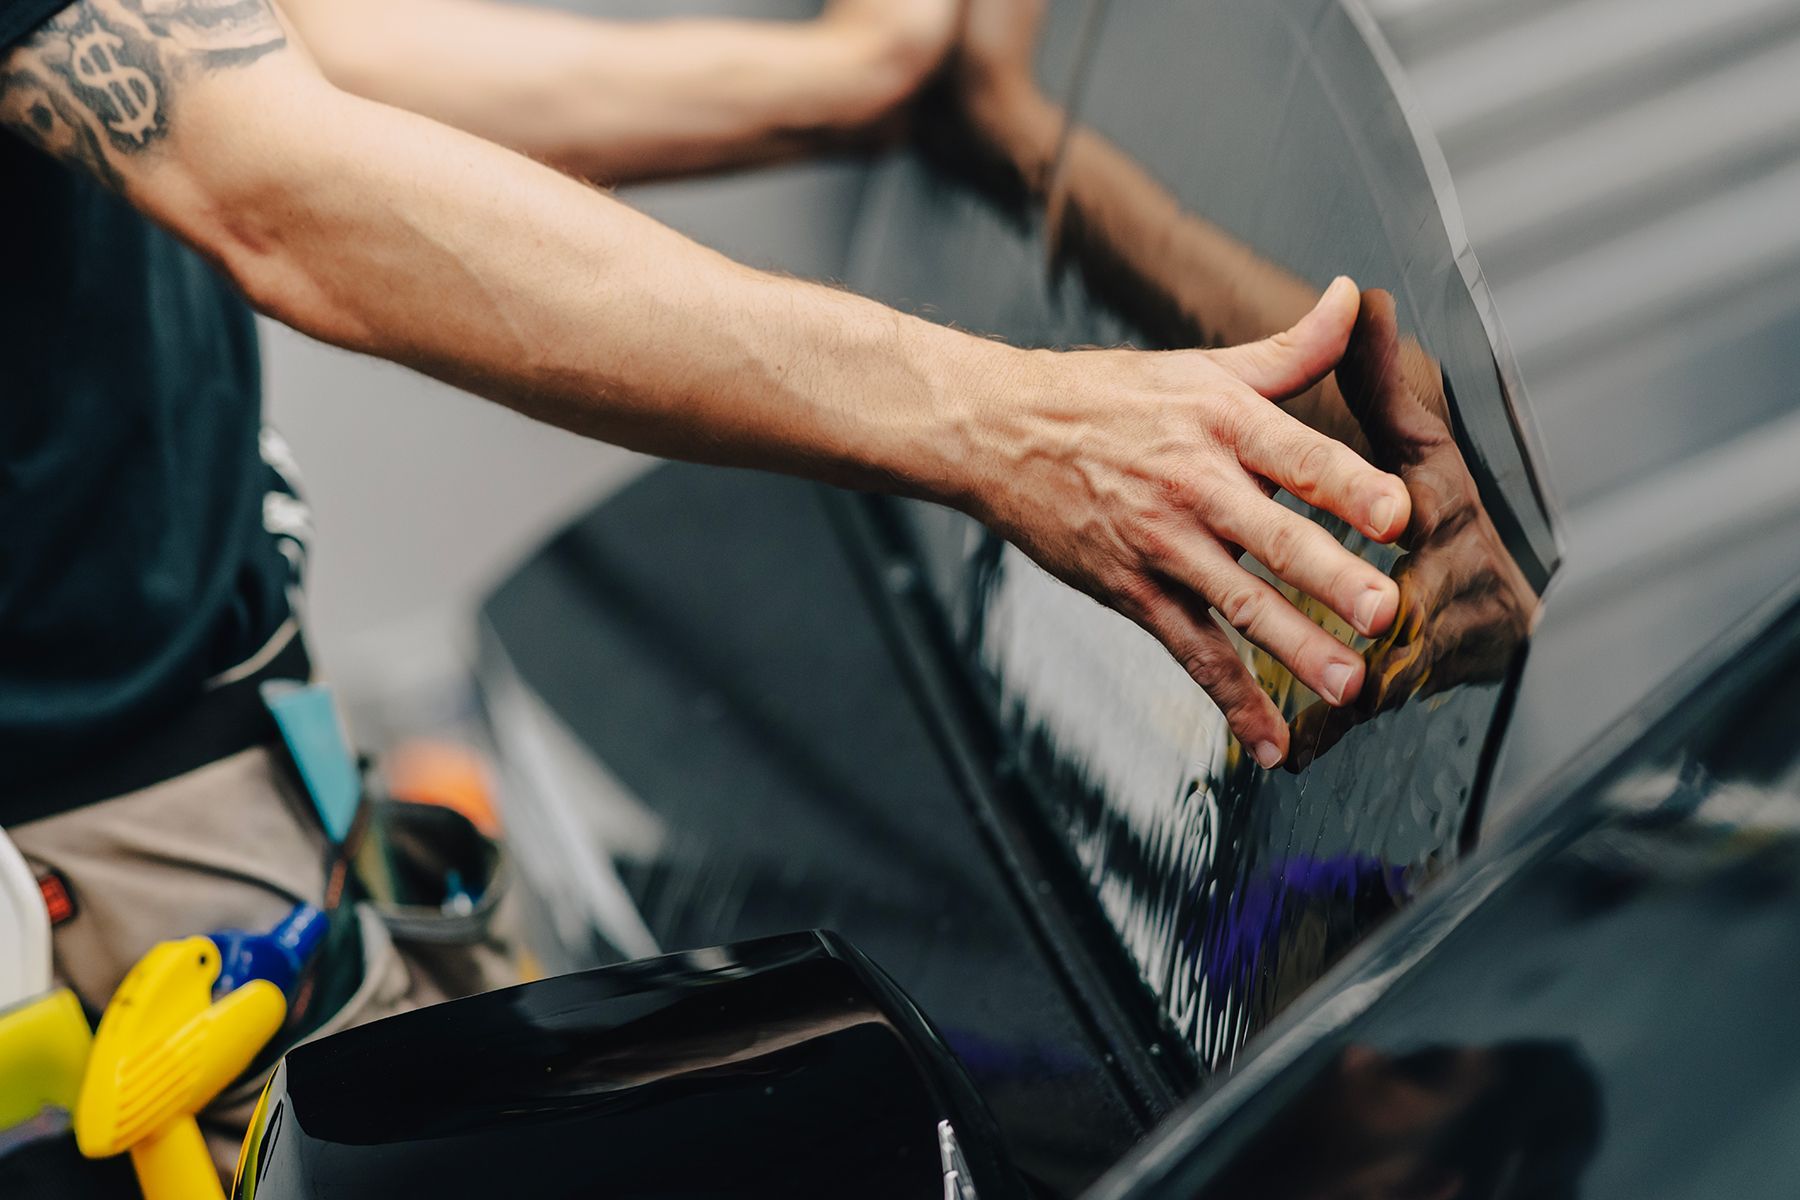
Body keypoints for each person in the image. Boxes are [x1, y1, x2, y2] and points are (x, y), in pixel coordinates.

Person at [0, 0, 1411, 1171]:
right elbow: (270, 182)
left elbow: (251, 57)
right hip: (111, 894)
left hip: (219, 776)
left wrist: (835, 89)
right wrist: (1012, 429)